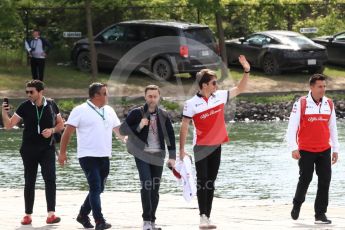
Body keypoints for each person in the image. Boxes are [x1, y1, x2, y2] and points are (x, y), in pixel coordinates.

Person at [179, 55, 250, 229]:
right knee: (203, 180)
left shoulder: (219, 96)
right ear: (204, 85)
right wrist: (181, 149)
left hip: (216, 146)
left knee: (211, 181)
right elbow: (184, 126)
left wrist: (246, 70)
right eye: (213, 83)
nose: (216, 86)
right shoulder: (191, 104)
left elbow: (240, 88)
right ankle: (202, 215)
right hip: (201, 147)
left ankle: (207, 216)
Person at [58, 83, 125, 230]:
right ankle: (99, 221)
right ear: (96, 95)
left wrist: (125, 139)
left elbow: (117, 129)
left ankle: (82, 215)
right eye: (105, 93)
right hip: (87, 156)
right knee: (95, 187)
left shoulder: (109, 110)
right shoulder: (80, 110)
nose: (107, 96)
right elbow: (67, 132)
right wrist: (62, 153)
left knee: (99, 189)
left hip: (105, 155)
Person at [1, 80, 64, 225]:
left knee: (50, 178)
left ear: (40, 92)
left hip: (47, 148)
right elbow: (9, 125)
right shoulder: (24, 106)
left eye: (31, 92)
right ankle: (28, 215)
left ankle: (51, 214)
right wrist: (4, 113)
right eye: (27, 92)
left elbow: (61, 124)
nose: (28, 94)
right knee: (30, 181)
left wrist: (52, 130)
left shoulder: (52, 104)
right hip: (29, 150)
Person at [119, 85, 176, 230]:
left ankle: (152, 221)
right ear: (145, 97)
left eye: (155, 96)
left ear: (158, 97)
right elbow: (123, 130)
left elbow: (170, 136)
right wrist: (139, 125)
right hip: (141, 154)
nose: (152, 99)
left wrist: (172, 157)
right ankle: (146, 221)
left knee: (154, 189)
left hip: (158, 155)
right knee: (146, 184)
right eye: (149, 96)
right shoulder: (136, 113)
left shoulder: (163, 114)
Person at [286, 74, 339, 224]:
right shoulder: (301, 103)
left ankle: (320, 214)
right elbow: (292, 127)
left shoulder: (329, 103)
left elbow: (333, 127)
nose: (323, 89)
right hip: (306, 150)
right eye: (319, 86)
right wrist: (293, 148)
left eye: (324, 86)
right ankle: (297, 204)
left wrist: (336, 149)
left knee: (325, 181)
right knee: (305, 178)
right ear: (311, 87)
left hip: (324, 149)